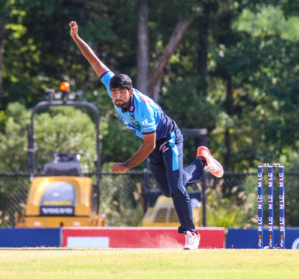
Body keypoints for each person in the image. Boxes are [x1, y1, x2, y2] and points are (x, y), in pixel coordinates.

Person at [69, 21, 224, 250]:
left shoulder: (143, 109)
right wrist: (76, 38)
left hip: (168, 139)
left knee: (177, 189)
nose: (117, 97)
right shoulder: (112, 86)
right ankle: (202, 161)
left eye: (122, 93)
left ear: (130, 92)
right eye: (114, 93)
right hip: (151, 144)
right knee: (168, 190)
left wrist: (126, 165)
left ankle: (191, 233)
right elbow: (94, 61)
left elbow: (150, 144)